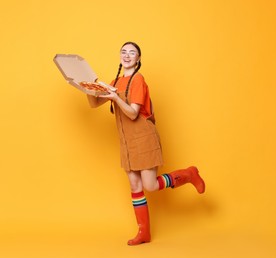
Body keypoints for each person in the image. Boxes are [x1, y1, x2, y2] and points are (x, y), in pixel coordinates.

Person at [86, 41, 205, 246]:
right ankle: (144, 233)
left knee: (150, 185)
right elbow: (94, 104)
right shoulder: (114, 81)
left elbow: (132, 113)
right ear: (119, 56)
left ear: (138, 58)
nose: (127, 55)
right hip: (126, 141)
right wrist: (87, 86)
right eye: (124, 52)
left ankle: (188, 174)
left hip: (143, 137)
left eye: (132, 52)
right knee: (135, 185)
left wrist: (115, 97)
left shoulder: (138, 80)